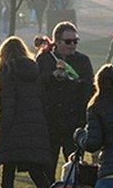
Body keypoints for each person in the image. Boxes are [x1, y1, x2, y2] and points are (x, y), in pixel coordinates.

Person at [0, 37, 54, 188]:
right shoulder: (33, 70)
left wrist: (4, 130)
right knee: (35, 169)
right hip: (35, 125)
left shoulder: (7, 71)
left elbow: (8, 104)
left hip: (15, 124)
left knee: (8, 171)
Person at [37, 21, 95, 177]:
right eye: (68, 41)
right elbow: (37, 87)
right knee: (47, 169)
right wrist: (52, 76)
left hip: (74, 124)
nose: (72, 45)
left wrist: (74, 82)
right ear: (57, 42)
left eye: (75, 41)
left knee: (75, 171)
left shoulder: (83, 61)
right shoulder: (44, 59)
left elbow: (90, 89)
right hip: (51, 123)